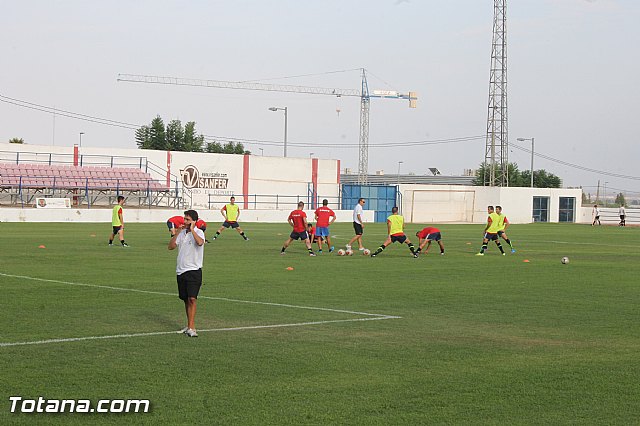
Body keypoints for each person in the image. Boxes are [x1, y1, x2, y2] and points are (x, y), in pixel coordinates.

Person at [168, 209, 205, 338]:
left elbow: (200, 243)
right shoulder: (182, 233)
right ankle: (189, 325)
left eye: (188, 219)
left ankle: (192, 327)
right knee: (186, 299)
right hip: (181, 270)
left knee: (192, 299)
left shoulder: (199, 232)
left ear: (194, 221)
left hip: (194, 270)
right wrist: (178, 231)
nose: (185, 222)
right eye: (185, 219)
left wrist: (193, 230)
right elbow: (171, 246)